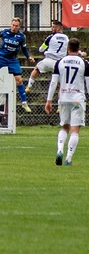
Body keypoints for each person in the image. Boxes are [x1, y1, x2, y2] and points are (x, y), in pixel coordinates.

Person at [45, 38, 89, 166]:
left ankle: (60, 150)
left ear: (68, 48)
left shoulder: (60, 62)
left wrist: (49, 100)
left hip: (63, 98)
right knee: (75, 130)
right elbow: (88, 83)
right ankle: (68, 158)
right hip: (77, 100)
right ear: (79, 48)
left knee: (64, 126)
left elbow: (53, 83)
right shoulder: (84, 63)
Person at [27, 20, 71, 93]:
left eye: (53, 27)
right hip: (59, 64)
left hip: (49, 61)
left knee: (37, 69)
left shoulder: (51, 37)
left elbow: (41, 49)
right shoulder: (66, 38)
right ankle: (62, 99)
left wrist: (43, 48)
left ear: (58, 28)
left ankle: (29, 86)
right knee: (60, 84)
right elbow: (70, 48)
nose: (52, 28)